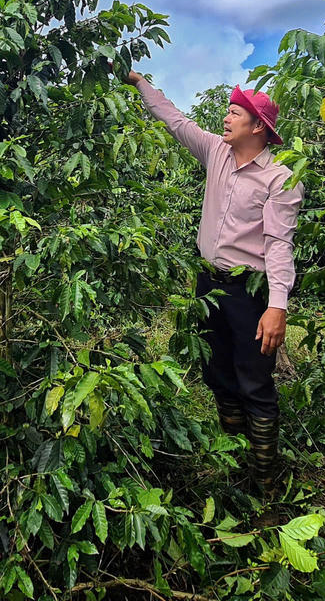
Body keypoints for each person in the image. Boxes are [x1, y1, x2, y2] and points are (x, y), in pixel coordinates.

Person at [125, 70, 302, 487]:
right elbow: (174, 120)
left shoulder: (279, 178)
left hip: (249, 293)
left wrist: (277, 305)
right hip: (209, 286)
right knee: (217, 372)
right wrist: (138, 82)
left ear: (257, 126)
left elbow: (279, 243)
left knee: (254, 381)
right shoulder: (215, 152)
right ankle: (235, 463)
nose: (225, 118)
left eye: (235, 113)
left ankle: (264, 480)